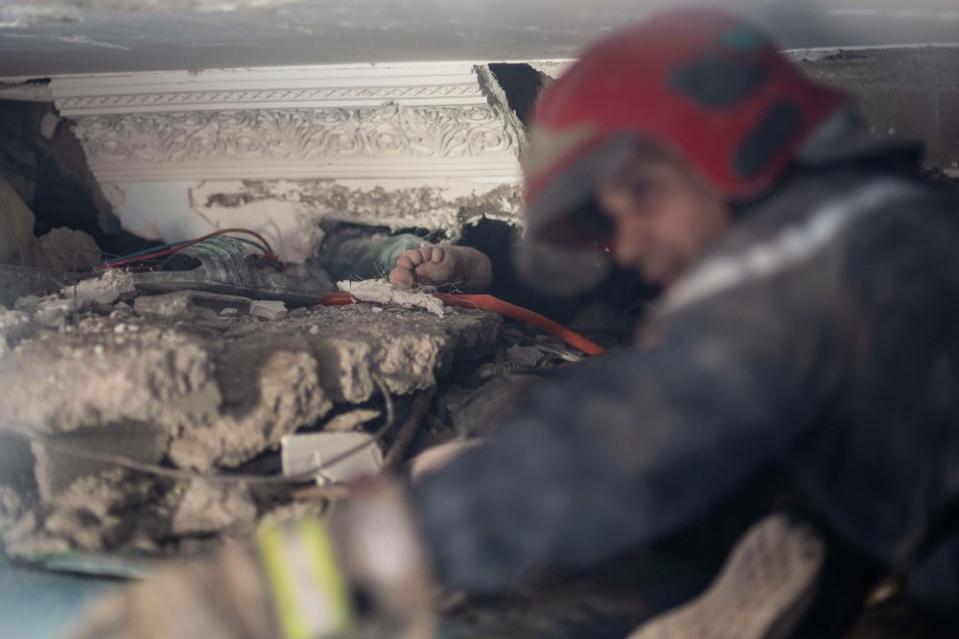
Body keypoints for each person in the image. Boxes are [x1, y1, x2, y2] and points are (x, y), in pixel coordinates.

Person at [74, 8, 959, 638]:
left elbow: (602, 455)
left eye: (639, 198)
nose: (634, 245)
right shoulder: (893, 226)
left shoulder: (810, 269)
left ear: (734, 143)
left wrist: (263, 598)